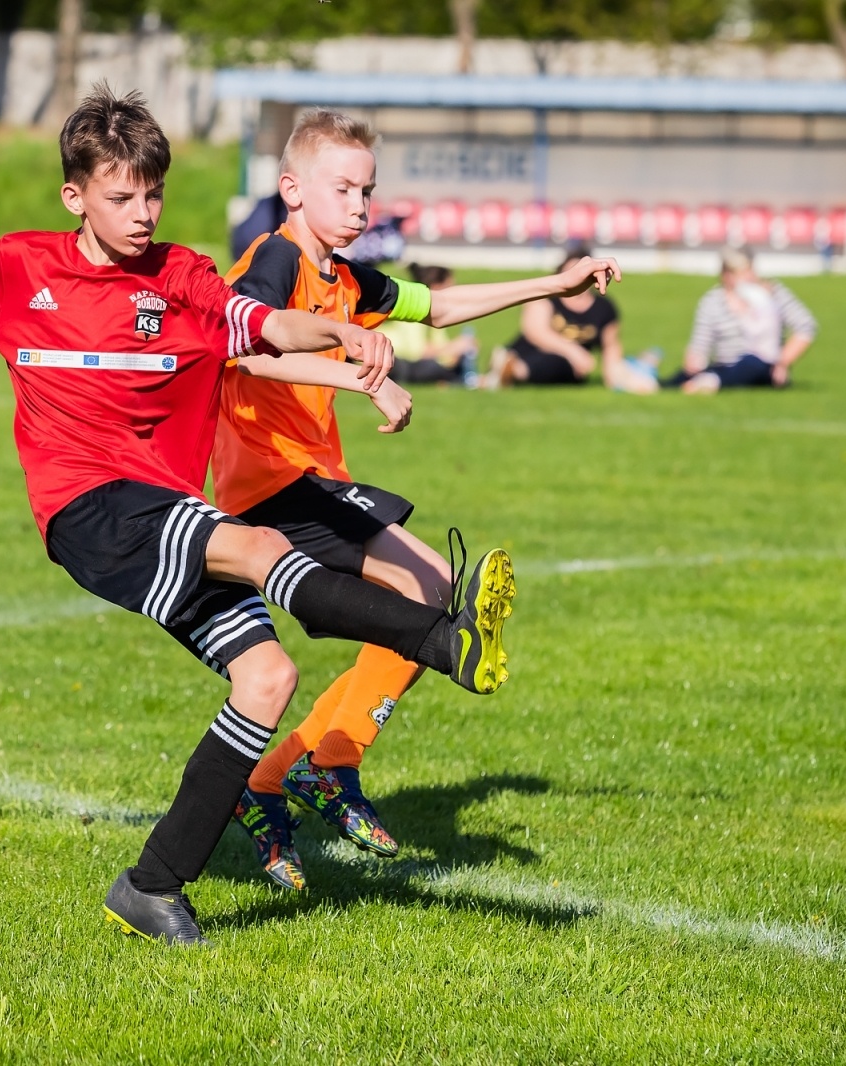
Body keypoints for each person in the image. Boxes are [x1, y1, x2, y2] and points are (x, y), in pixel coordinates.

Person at [0, 86, 518, 947]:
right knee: (258, 545)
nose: (142, 214)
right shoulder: (16, 270)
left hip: (167, 508)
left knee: (267, 680)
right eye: (121, 196)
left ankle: (151, 885)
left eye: (154, 195)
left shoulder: (183, 276)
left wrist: (342, 336)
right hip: (85, 506)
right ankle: (445, 643)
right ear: (76, 196)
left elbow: (268, 325)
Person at [215, 108, 620, 892]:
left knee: (427, 591)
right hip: (270, 481)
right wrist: (360, 372)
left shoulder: (345, 277)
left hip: (307, 479)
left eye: (368, 191)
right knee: (431, 589)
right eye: (344, 189)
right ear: (291, 189)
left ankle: (278, 778)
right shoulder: (272, 261)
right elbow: (251, 349)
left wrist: (555, 280)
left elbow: (437, 305)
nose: (361, 207)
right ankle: (322, 765)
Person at [484, 242, 656, 394]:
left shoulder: (604, 308)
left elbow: (611, 349)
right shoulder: (548, 297)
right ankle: (508, 369)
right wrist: (573, 351)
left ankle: (506, 374)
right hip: (530, 351)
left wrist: (624, 381)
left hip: (569, 368)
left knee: (559, 363)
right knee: (549, 358)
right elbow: (535, 331)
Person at [666, 247, 817, 393]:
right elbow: (700, 344)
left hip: (763, 365)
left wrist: (782, 363)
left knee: (751, 362)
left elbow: (805, 326)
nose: (747, 277)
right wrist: (694, 360)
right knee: (688, 375)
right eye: (739, 272)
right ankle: (660, 385)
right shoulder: (713, 301)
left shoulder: (770, 294)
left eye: (748, 270)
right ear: (725, 275)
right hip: (725, 366)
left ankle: (712, 382)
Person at [381, 264, 479, 388]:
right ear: (436, 287)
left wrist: (459, 352)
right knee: (429, 367)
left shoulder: (436, 318)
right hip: (392, 360)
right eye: (450, 288)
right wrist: (453, 347)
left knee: (444, 368)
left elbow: (444, 355)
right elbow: (417, 353)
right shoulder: (414, 308)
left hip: (409, 364)